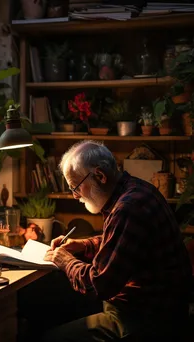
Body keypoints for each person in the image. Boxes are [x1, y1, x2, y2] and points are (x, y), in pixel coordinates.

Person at [43, 140, 192, 342]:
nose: (75, 196)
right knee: (58, 302)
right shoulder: (134, 189)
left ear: (100, 176)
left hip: (147, 320)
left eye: (76, 187)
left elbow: (98, 285)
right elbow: (120, 240)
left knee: (49, 337)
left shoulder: (128, 208)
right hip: (149, 307)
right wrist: (84, 245)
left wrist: (65, 260)